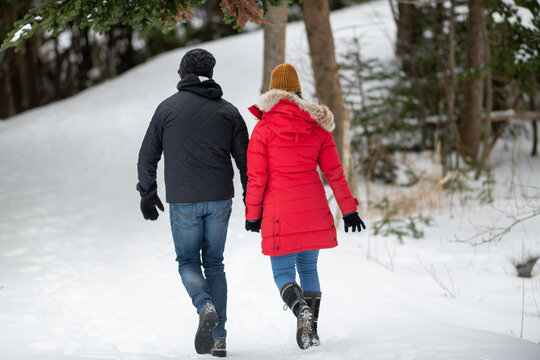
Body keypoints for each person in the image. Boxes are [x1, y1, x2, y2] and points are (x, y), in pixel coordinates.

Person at [244, 63, 366, 350]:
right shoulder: (318, 126)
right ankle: (311, 331)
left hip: (278, 211)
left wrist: (252, 215)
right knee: (308, 266)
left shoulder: (263, 129)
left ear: (272, 92)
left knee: (283, 273)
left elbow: (257, 177)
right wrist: (349, 210)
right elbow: (335, 173)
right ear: (298, 90)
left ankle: (301, 312)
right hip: (312, 207)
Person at [136, 48, 248, 358]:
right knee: (215, 262)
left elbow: (147, 155)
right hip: (220, 199)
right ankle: (220, 337)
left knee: (188, 261)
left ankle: (204, 306)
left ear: (184, 73)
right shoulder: (229, 111)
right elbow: (245, 160)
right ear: (210, 74)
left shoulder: (167, 109)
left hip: (183, 201)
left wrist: (147, 193)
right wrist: (252, 198)